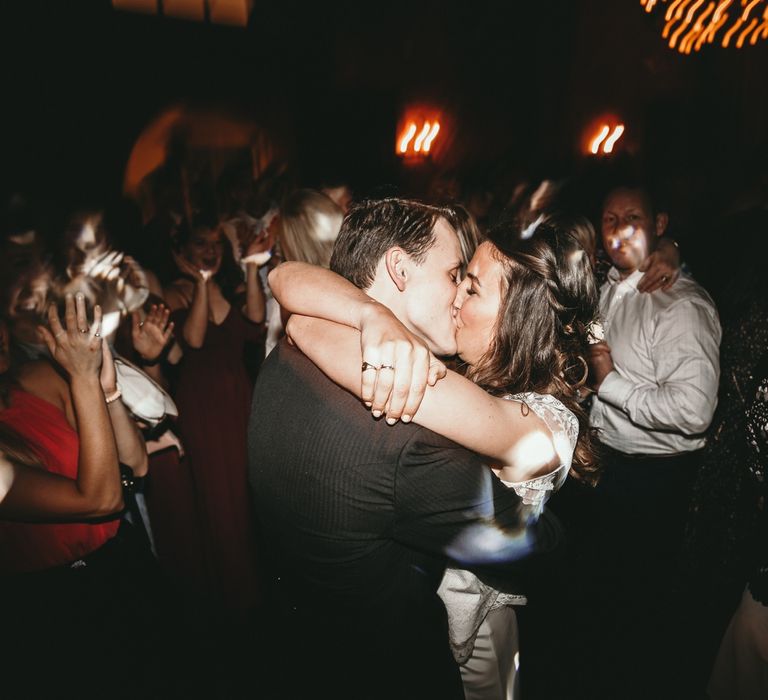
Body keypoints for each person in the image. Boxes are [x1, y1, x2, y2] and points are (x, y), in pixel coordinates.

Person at [248, 198, 592, 699]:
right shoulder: (430, 416)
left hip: (480, 625)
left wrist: (309, 324)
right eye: (456, 275)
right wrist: (368, 316)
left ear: (518, 314)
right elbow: (285, 278)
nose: (455, 298)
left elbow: (292, 295)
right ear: (398, 268)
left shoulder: (530, 422)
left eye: (469, 286)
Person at [586, 181, 721, 697]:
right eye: (609, 218)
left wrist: (609, 382)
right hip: (609, 466)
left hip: (652, 481)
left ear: (660, 224)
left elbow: (692, 412)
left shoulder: (680, 306)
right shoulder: (607, 282)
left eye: (633, 219)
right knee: (606, 605)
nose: (619, 230)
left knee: (639, 617)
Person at [164, 212, 266, 616]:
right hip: (203, 410)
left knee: (246, 491)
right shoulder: (176, 295)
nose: (210, 251)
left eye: (215, 244)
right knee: (218, 496)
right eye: (201, 244)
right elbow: (194, 338)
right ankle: (232, 599)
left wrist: (253, 269)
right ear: (183, 252)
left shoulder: (233, 287)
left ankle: (256, 585)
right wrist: (201, 283)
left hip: (240, 402)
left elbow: (256, 321)